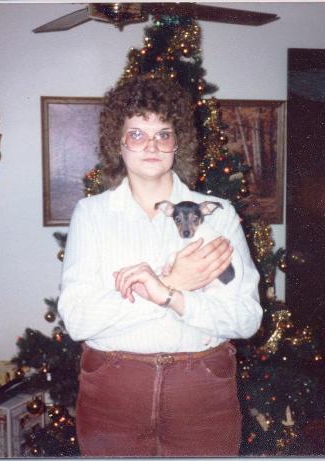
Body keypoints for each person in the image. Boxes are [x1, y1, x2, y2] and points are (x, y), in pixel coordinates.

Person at [58, 75, 262, 457]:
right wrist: (175, 280)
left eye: (163, 134)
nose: (151, 145)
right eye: (137, 134)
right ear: (118, 142)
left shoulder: (219, 215)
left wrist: (171, 296)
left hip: (202, 392)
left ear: (177, 142)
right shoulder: (92, 214)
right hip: (113, 391)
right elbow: (78, 321)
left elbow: (246, 319)